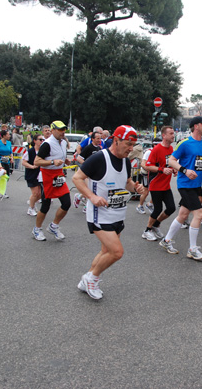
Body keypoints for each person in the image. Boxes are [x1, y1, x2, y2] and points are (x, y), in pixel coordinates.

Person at [72, 125, 144, 300]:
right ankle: (92, 278)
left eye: (133, 145)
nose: (131, 149)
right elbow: (77, 178)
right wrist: (92, 196)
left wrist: (135, 187)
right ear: (116, 140)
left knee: (106, 251)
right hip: (100, 214)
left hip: (118, 213)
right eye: (128, 144)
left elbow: (125, 182)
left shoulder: (126, 160)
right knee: (116, 252)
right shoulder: (99, 158)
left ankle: (86, 280)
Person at [158, 116, 202, 260]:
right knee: (199, 214)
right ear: (196, 126)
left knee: (183, 215)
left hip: (196, 185)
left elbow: (198, 164)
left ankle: (166, 241)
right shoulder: (184, 143)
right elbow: (171, 160)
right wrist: (185, 171)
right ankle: (192, 249)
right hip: (185, 184)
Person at [31, 120, 71, 241]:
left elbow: (59, 157)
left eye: (64, 129)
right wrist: (52, 162)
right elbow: (36, 162)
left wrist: (65, 160)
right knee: (46, 205)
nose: (62, 132)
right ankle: (37, 229)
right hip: (47, 176)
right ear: (53, 131)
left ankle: (54, 226)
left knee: (66, 203)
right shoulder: (47, 144)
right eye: (59, 130)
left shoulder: (63, 142)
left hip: (58, 175)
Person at [141, 126, 177, 241]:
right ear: (164, 135)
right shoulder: (156, 149)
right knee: (157, 209)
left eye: (173, 133)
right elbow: (148, 166)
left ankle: (155, 225)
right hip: (156, 184)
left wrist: (174, 169)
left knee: (171, 208)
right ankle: (147, 231)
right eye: (171, 133)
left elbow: (170, 163)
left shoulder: (171, 149)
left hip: (166, 185)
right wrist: (161, 170)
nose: (173, 135)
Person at [22, 134, 43, 216]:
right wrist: (32, 166)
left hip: (41, 175)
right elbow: (23, 162)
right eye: (40, 139)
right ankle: (31, 208)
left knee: (41, 194)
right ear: (35, 141)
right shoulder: (30, 151)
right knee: (35, 193)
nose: (41, 141)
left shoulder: (43, 151)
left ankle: (32, 203)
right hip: (32, 174)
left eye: (42, 140)